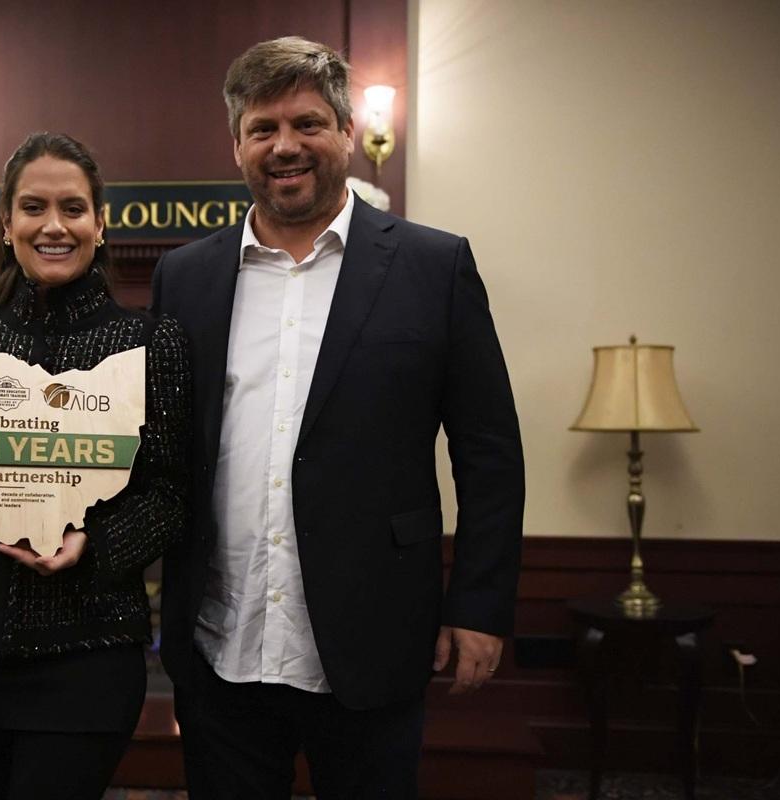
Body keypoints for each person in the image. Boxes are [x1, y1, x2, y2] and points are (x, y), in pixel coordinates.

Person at [151, 37, 524, 799]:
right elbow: (159, 443)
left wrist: (480, 606)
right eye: (263, 128)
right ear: (237, 146)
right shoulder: (184, 276)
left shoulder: (434, 265)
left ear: (347, 132)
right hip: (220, 644)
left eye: (308, 123)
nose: (285, 145)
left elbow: (489, 453)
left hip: (374, 639)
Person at [0, 132, 191, 799]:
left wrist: (91, 544)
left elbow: (172, 495)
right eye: (33, 207)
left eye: (73, 208)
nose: (54, 225)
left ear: (99, 224)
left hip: (85, 659)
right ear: (7, 225)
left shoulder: (148, 341)